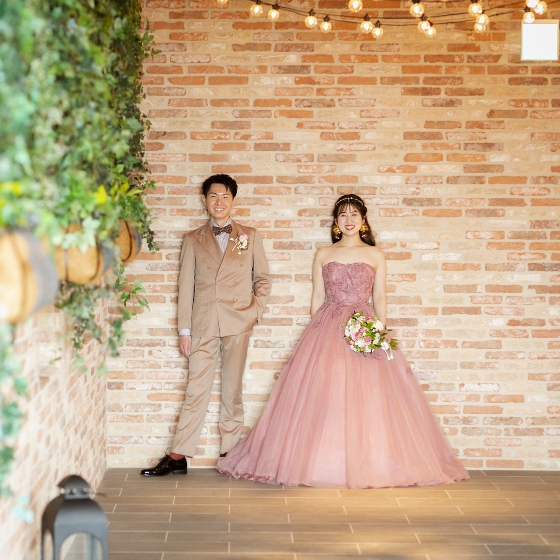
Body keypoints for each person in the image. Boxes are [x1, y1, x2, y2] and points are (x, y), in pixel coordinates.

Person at [217, 194, 469, 488]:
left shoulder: (376, 255)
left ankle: (372, 462)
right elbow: (317, 298)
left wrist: (377, 331)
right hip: (328, 327)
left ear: (363, 220)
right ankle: (321, 462)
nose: (349, 220)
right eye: (343, 215)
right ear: (336, 222)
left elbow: (380, 297)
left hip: (365, 324)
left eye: (354, 215)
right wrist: (316, 335)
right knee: (326, 395)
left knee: (370, 396)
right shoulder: (324, 254)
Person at [141, 174, 272, 477]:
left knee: (232, 390)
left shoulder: (250, 235)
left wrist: (254, 311)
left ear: (233, 200)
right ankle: (177, 456)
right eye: (213, 196)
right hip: (203, 323)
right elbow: (185, 286)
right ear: (204, 200)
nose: (219, 202)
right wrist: (184, 330)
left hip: (238, 321)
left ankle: (230, 452)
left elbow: (263, 279)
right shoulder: (192, 239)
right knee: (196, 390)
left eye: (225, 196)